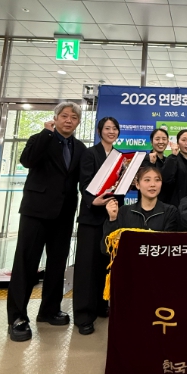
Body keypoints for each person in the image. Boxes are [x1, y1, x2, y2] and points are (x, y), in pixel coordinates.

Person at [7, 102, 87, 342]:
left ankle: (49, 310)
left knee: (57, 263)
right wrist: (46, 133)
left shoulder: (80, 148)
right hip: (36, 211)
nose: (69, 120)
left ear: (78, 122)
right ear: (56, 117)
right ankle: (17, 317)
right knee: (26, 263)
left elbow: (83, 178)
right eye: (64, 116)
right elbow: (27, 160)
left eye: (74, 117)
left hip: (64, 214)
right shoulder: (40, 138)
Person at [73, 117, 121, 336]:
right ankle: (83, 316)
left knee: (105, 264)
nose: (111, 131)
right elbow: (84, 184)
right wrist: (93, 201)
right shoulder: (90, 153)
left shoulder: (119, 156)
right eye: (107, 128)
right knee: (87, 268)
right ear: (100, 131)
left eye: (115, 128)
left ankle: (102, 305)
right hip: (92, 217)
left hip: (111, 217)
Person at [104, 165, 179, 238]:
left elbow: (170, 242)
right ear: (137, 185)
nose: (152, 184)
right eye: (147, 180)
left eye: (157, 180)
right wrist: (113, 219)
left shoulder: (170, 211)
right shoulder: (124, 211)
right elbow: (108, 244)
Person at [161, 129, 187, 207]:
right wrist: (173, 156)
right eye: (184, 140)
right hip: (176, 205)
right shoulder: (172, 158)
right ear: (178, 143)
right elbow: (166, 179)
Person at [141, 128, 170, 202]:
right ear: (151, 142)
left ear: (168, 142)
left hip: (166, 203)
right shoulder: (144, 159)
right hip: (147, 203)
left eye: (164, 139)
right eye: (157, 139)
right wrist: (151, 163)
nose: (161, 142)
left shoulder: (169, 161)